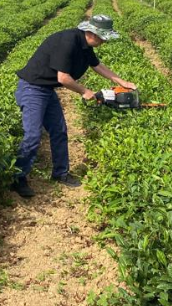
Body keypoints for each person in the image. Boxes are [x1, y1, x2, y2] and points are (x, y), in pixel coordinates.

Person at [11, 14, 136, 198]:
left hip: (47, 89)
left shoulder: (85, 45)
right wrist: (84, 91)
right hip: (33, 89)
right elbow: (63, 78)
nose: (104, 41)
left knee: (59, 131)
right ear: (92, 33)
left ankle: (60, 173)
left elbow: (97, 65)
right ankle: (17, 178)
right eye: (103, 37)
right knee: (33, 135)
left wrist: (121, 81)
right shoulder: (68, 42)